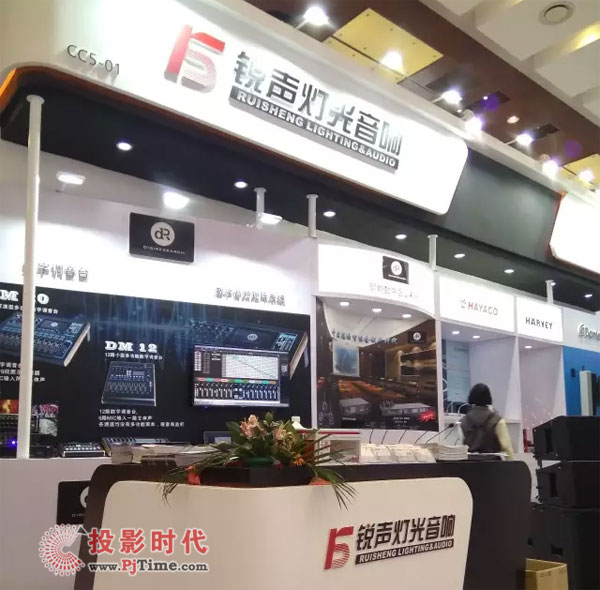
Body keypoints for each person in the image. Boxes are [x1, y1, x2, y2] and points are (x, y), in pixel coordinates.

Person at [461, 383, 514, 459]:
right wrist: (511, 464)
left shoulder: (464, 420)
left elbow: (462, 447)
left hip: (470, 463)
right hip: (493, 464)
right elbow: (507, 447)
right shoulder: (497, 420)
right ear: (489, 397)